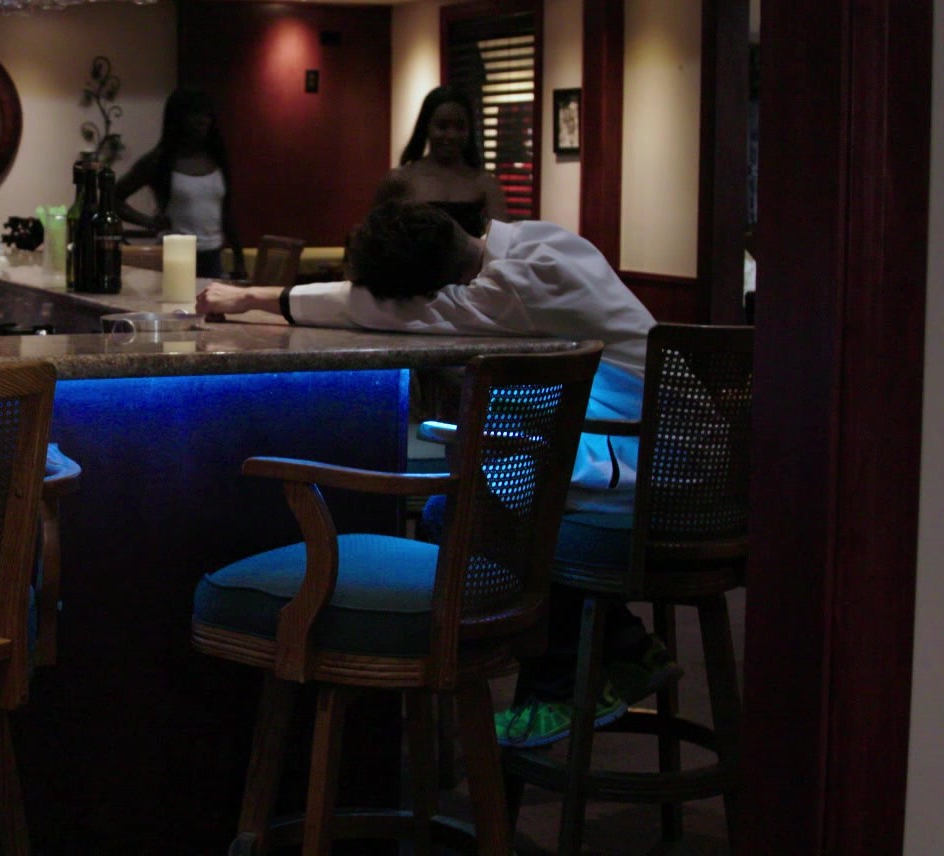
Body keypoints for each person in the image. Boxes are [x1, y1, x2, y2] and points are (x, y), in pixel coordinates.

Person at [198, 199, 674, 750]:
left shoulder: (513, 285)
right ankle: (626, 646)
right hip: (659, 456)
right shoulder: (539, 242)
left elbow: (396, 313)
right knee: (458, 508)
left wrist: (255, 298)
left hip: (653, 483)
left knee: (465, 518)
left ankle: (562, 685)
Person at [114, 87, 244, 279]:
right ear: (178, 119)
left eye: (207, 114)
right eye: (195, 114)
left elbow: (225, 212)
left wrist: (239, 257)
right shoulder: (160, 160)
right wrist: (149, 222)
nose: (202, 121)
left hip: (213, 256)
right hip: (175, 256)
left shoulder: (217, 158)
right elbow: (113, 198)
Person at [386, 86, 508, 238]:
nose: (451, 135)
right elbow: (374, 239)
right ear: (426, 127)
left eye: (460, 127)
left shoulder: (485, 184)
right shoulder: (400, 180)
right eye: (442, 127)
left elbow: (501, 242)